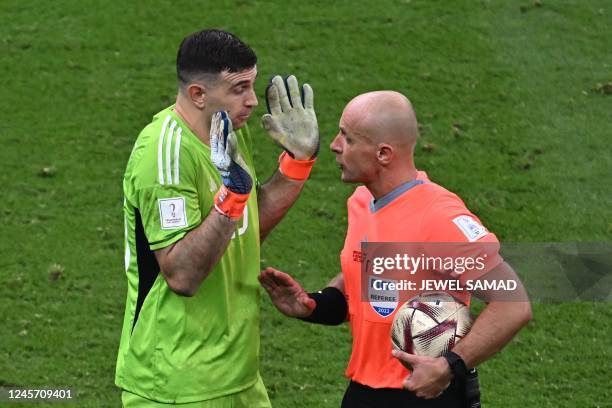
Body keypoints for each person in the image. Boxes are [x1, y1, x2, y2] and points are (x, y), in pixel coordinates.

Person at [259, 91, 532, 407]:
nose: (333, 145)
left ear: (383, 154)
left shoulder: (439, 216)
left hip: (427, 395)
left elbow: (513, 304)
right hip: (364, 391)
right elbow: (371, 280)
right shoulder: (362, 202)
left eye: (346, 138)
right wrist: (316, 305)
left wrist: (449, 366)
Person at [115, 29, 319, 407]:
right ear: (198, 94)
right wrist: (232, 197)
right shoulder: (165, 155)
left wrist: (297, 164)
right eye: (239, 88)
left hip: (239, 377)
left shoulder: (229, 133)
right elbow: (182, 275)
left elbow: (242, 230)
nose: (254, 101)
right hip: (177, 384)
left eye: (252, 85)